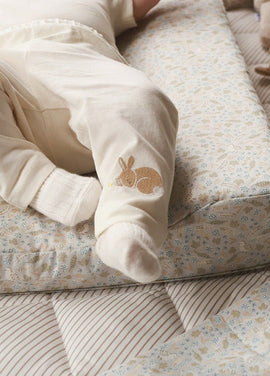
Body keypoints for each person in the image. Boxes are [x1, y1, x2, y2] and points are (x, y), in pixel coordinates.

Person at [0, 0, 179, 283]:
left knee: (142, 100)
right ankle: (37, 182)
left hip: (82, 70)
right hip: (8, 87)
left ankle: (126, 226)